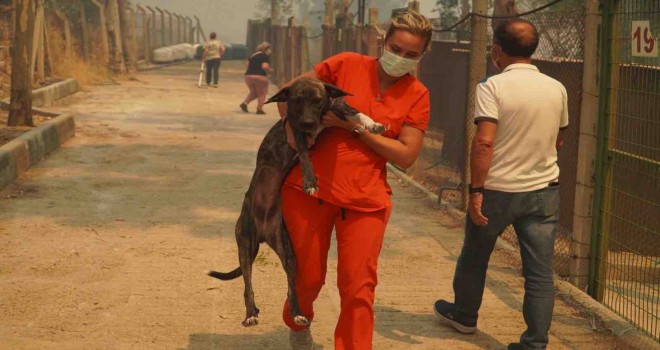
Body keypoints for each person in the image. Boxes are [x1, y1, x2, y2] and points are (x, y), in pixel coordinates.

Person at [277, 11, 431, 350]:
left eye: (411, 54)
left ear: (422, 55)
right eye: (396, 48)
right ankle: (298, 323)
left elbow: (405, 155)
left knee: (358, 286)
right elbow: (289, 92)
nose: (400, 58)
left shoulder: (417, 94)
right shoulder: (346, 64)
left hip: (366, 200)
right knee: (308, 277)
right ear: (384, 42)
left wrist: (355, 128)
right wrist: (294, 133)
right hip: (309, 190)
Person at [433, 19, 568, 350]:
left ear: (496, 51)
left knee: (475, 256)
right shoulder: (557, 88)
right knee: (539, 273)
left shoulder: (491, 87)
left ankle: (464, 316)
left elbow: (484, 143)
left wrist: (476, 191)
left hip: (498, 191)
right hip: (543, 191)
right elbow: (559, 141)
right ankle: (535, 343)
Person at [240, 42, 274, 114]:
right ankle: (259, 109)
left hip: (249, 76)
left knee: (254, 92)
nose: (270, 51)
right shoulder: (264, 56)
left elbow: (247, 64)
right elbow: (264, 67)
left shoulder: (253, 55)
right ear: (266, 49)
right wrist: (270, 70)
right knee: (262, 93)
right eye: (269, 49)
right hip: (260, 77)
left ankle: (244, 104)